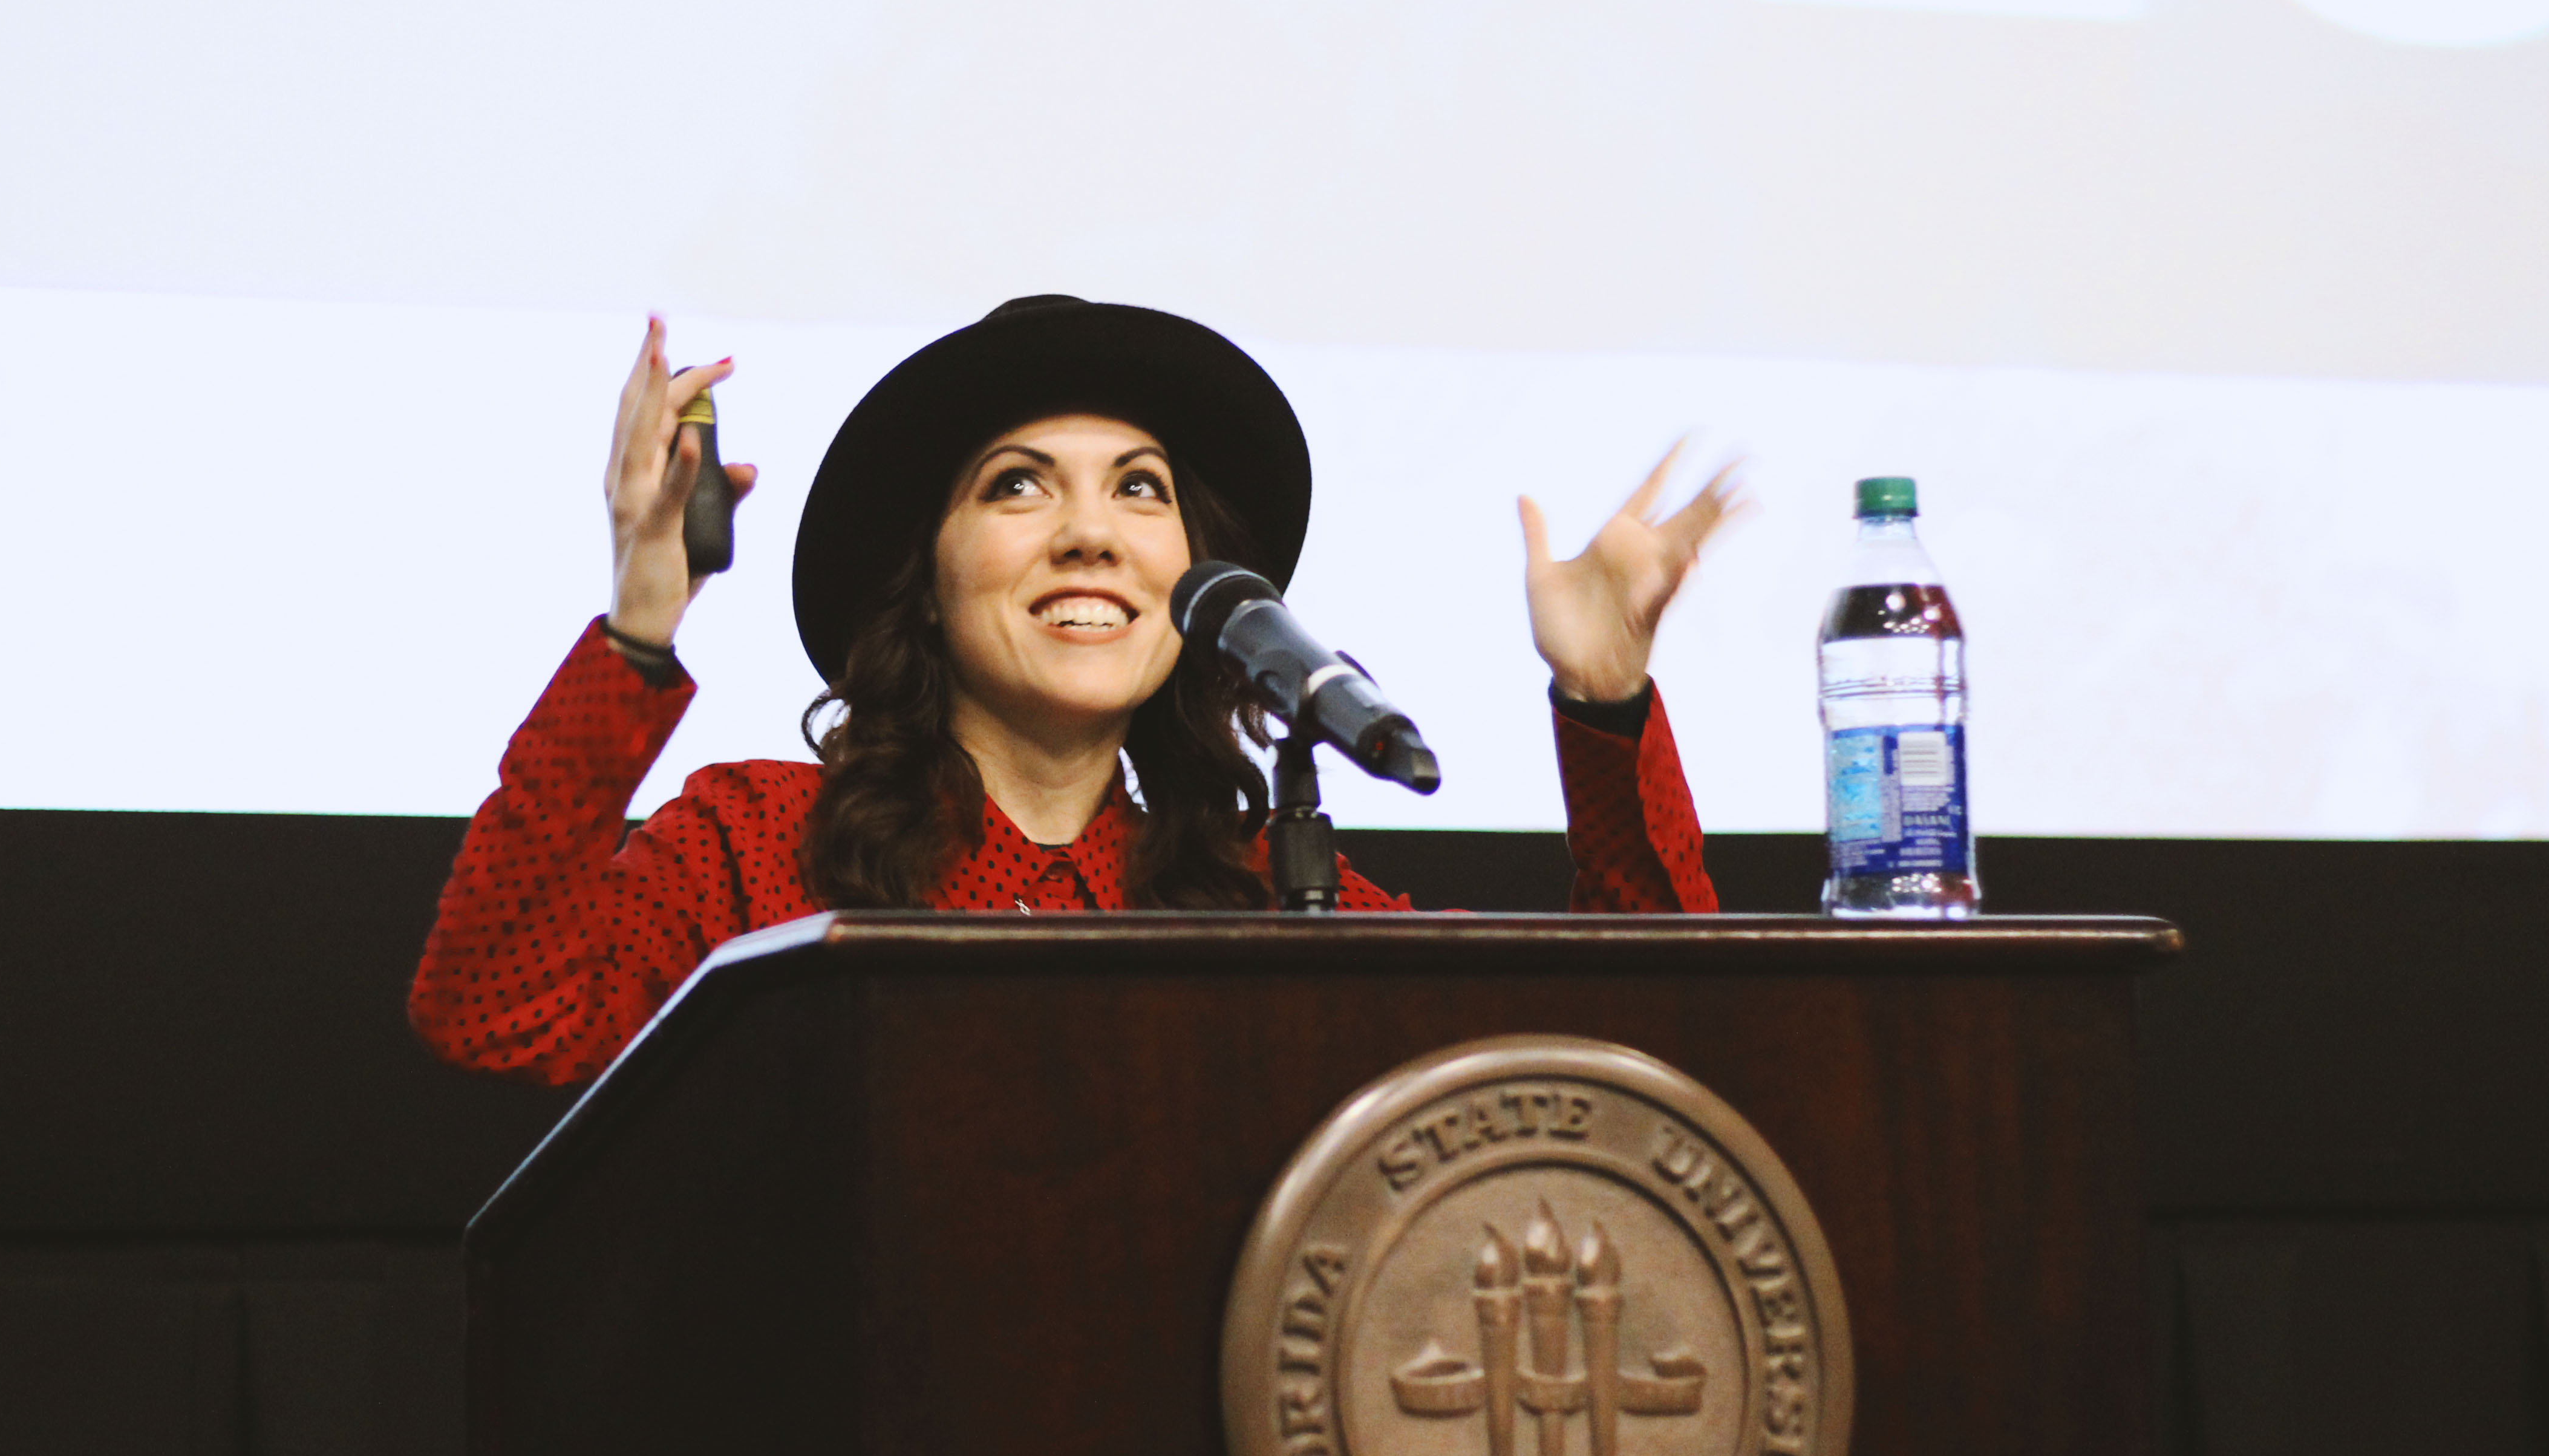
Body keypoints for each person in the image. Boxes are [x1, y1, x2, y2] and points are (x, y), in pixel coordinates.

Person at [410, 296, 1735, 1088]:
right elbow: (490, 1005)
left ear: (1199, 580)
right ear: (925, 581)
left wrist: (1606, 708)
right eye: (1019, 485)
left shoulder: (1268, 893)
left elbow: (1637, 1062)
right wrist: (642, 628)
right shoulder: (756, 848)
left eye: (1141, 491)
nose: (1092, 536)